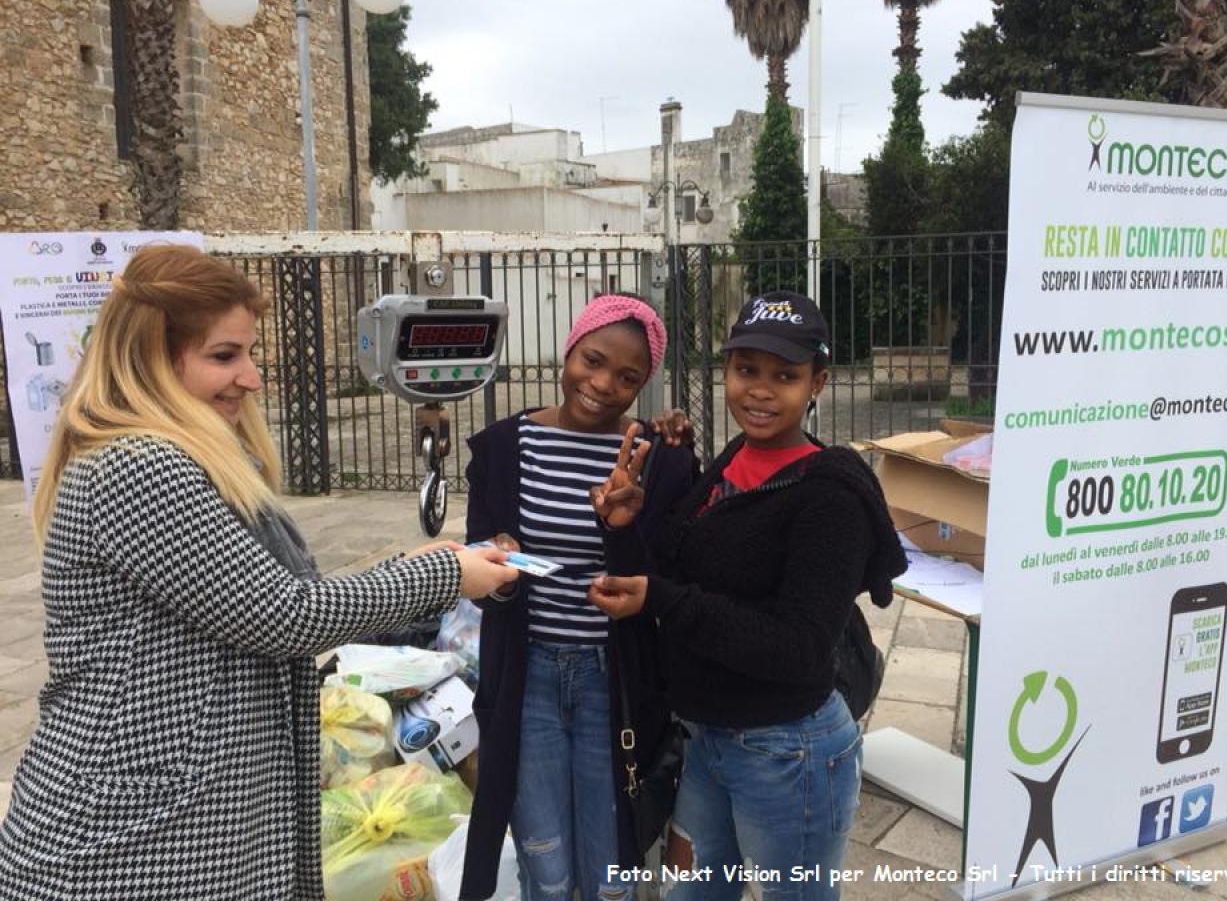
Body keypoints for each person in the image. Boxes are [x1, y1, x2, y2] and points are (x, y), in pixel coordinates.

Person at [0, 245, 518, 901]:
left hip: (177, 821)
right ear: (148, 360)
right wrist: (444, 575)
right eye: (224, 356)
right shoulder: (140, 467)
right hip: (131, 837)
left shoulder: (172, 459)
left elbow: (255, 597)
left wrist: (409, 567)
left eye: (250, 354)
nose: (250, 377)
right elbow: (285, 615)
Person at [588, 291, 907, 900]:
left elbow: (799, 648)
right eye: (746, 370)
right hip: (710, 741)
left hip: (789, 753)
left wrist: (664, 601)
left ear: (817, 382)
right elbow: (683, 570)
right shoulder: (735, 458)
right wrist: (626, 523)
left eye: (784, 376)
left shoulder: (829, 497)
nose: (760, 391)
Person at [459, 293, 698, 901]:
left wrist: (618, 530)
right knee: (545, 859)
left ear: (644, 384)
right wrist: (499, 566)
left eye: (627, 377)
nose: (602, 385)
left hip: (611, 682)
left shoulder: (654, 460)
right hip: (528, 675)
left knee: (609, 859)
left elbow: (663, 579)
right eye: (592, 360)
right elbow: (481, 582)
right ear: (569, 349)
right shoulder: (501, 450)